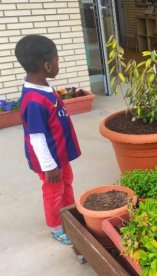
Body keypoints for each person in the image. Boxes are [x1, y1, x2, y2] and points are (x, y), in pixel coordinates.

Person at [15, 35, 81, 245]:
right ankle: (56, 227)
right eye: (57, 60)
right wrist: (49, 167)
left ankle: (70, 214)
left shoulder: (43, 87)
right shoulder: (34, 100)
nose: (58, 64)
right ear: (47, 65)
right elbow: (36, 138)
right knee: (54, 191)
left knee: (67, 183)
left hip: (60, 154)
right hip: (50, 161)